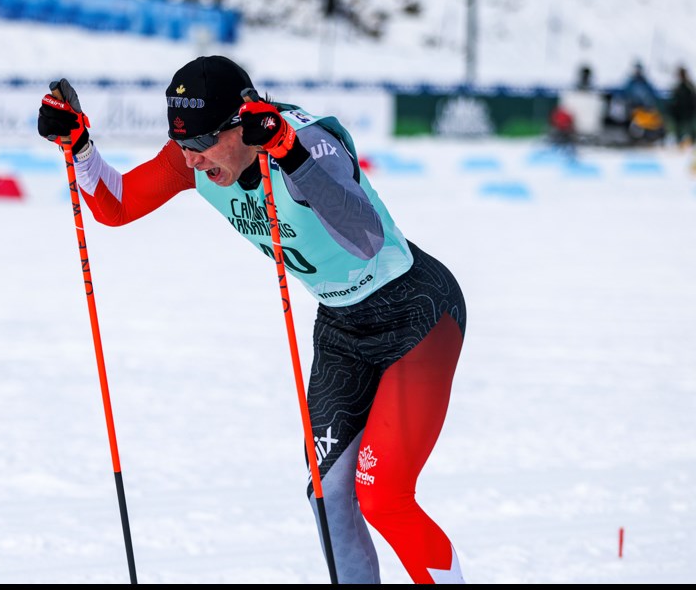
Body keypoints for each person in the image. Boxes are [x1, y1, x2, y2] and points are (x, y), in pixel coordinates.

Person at [37, 55, 468, 584]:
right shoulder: (193, 159)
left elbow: (365, 236)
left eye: (200, 145)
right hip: (341, 326)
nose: (191, 161)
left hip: (415, 317)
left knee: (383, 497)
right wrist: (81, 148)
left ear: (240, 124)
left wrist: (290, 155)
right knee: (328, 495)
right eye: (183, 145)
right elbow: (117, 205)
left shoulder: (311, 144)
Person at [667, 65, 696, 148]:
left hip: (689, 114)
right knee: (678, 130)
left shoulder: (689, 86)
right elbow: (673, 101)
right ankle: (678, 143)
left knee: (691, 130)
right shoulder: (677, 87)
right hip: (679, 115)